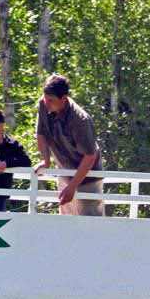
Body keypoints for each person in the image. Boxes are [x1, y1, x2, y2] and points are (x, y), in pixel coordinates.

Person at [33, 74, 104, 216]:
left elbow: (90, 155)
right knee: (65, 221)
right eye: (45, 98)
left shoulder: (80, 119)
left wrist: (73, 186)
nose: (46, 103)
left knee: (90, 223)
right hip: (65, 173)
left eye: (51, 100)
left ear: (64, 99)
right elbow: (41, 133)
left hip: (88, 177)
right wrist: (46, 161)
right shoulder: (43, 104)